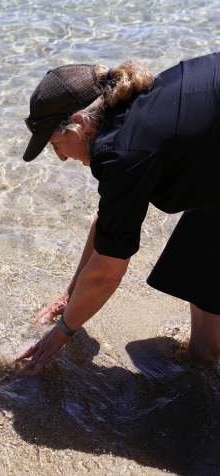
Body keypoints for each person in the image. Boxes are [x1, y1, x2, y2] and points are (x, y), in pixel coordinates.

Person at [14, 53, 220, 375]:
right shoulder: (128, 108)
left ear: (79, 124)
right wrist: (70, 295)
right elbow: (108, 226)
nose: (60, 158)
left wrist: (57, 337)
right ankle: (205, 358)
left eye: (55, 143)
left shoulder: (122, 151)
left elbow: (106, 273)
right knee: (199, 241)